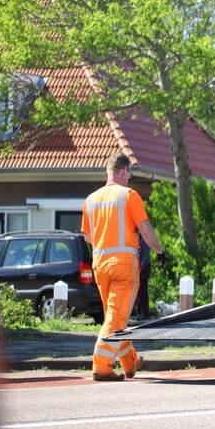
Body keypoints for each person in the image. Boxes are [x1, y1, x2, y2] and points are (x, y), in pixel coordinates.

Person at [81, 153, 167, 381]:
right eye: (129, 172)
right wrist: (160, 251)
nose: (129, 177)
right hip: (123, 266)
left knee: (116, 315)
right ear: (121, 170)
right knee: (116, 318)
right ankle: (101, 365)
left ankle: (130, 362)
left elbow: (88, 238)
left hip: (100, 266)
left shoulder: (90, 200)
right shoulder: (129, 196)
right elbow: (146, 229)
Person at [134, 236, 151, 319]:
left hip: (143, 267)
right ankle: (141, 312)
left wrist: (140, 269)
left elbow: (144, 255)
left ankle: (145, 313)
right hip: (142, 266)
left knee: (142, 291)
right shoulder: (141, 237)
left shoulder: (143, 238)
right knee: (139, 291)